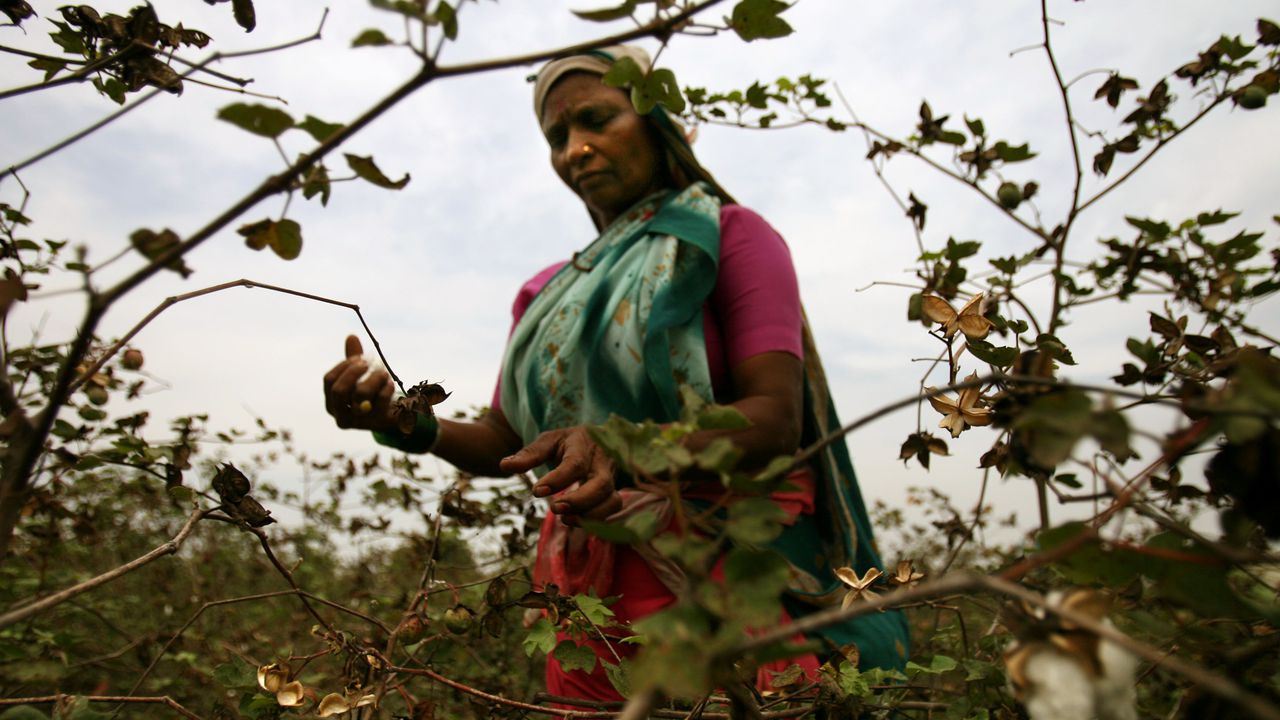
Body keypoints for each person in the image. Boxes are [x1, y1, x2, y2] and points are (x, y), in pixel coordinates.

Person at [323, 45, 909, 701]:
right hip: (589, 606)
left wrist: (616, 445)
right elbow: (505, 440)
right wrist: (406, 422)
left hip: (725, 580)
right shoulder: (543, 294)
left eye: (598, 120)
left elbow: (775, 419)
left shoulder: (731, 237)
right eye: (557, 137)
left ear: (655, 120)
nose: (576, 150)